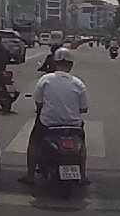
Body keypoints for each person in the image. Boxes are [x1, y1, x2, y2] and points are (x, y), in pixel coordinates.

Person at [20, 47, 89, 186]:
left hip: (48, 124)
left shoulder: (45, 80)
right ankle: (82, 176)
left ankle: (30, 176)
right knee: (82, 145)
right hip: (73, 126)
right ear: (71, 65)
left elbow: (38, 102)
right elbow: (84, 109)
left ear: (55, 63)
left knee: (34, 143)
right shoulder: (78, 83)